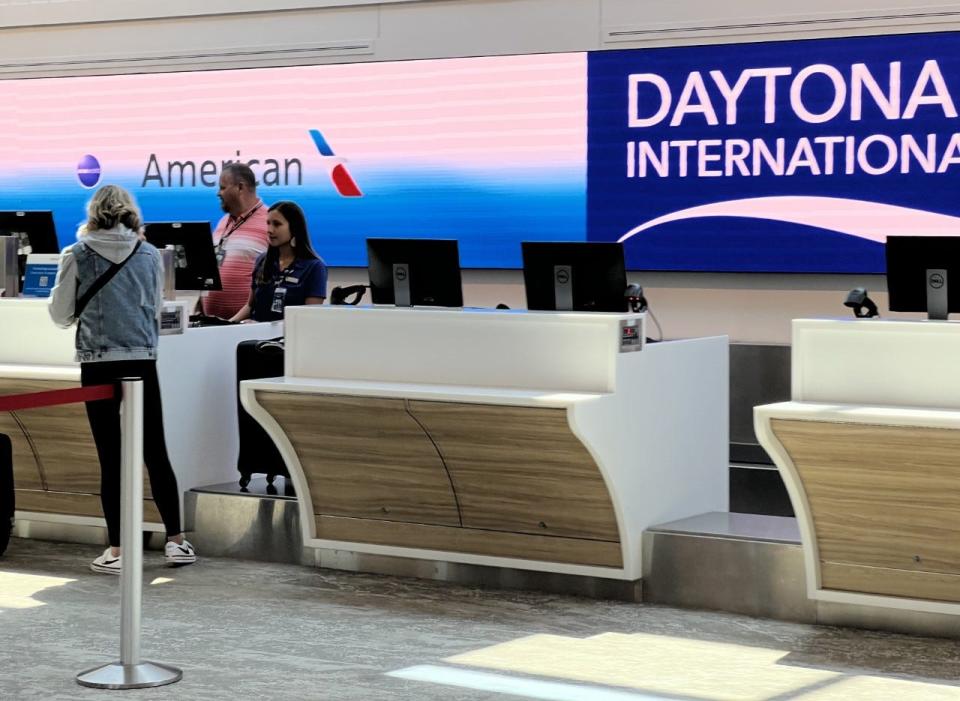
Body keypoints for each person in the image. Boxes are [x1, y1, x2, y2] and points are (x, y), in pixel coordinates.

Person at [48, 184, 196, 574]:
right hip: (142, 361)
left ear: (93, 213)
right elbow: (154, 309)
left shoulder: (76, 254)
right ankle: (176, 541)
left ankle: (117, 549)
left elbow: (61, 314)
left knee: (110, 458)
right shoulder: (150, 255)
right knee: (155, 452)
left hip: (97, 363)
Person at [229, 201, 327, 322]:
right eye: (268, 223)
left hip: (288, 338)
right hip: (254, 337)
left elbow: (309, 319)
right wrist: (226, 325)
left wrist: (263, 327)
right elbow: (250, 306)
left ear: (294, 228)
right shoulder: (262, 261)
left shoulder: (314, 267)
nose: (269, 230)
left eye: (277, 224)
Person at [201, 163, 269, 319]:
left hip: (246, 329)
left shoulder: (270, 222)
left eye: (223, 187)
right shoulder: (222, 222)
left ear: (240, 187)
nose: (218, 193)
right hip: (210, 326)